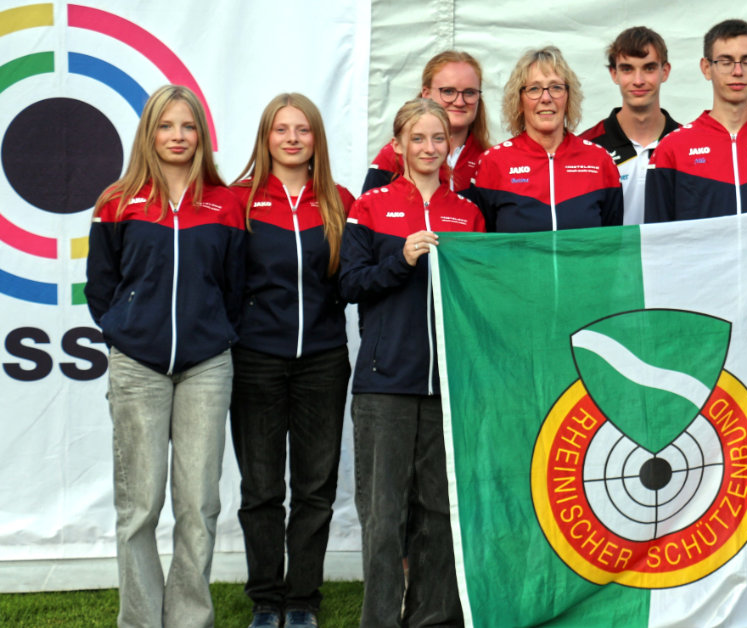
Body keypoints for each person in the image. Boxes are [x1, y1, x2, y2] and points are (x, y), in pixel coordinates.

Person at [84, 84, 245, 628]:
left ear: (201, 135)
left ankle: (189, 620)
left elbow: (235, 286)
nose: (178, 136)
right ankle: (141, 621)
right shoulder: (117, 201)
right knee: (140, 507)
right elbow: (101, 286)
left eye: (188, 126)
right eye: (166, 125)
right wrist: (124, 331)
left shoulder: (226, 205)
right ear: (149, 133)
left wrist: (217, 333)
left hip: (206, 367)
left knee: (199, 505)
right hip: (138, 366)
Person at [341, 98, 485, 628]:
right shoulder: (370, 206)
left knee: (440, 513)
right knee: (383, 516)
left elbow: (482, 294)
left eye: (438, 138)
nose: (429, 148)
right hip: (385, 383)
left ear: (450, 144)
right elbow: (349, 283)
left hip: (449, 385)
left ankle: (433, 619)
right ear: (398, 145)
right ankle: (380, 620)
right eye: (417, 138)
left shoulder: (467, 213)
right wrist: (399, 260)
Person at [229, 93, 356, 628]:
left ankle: (302, 600)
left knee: (314, 487)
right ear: (266, 137)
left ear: (316, 138)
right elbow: (222, 279)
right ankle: (265, 600)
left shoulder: (339, 200)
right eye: (281, 129)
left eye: (302, 129)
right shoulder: (239, 199)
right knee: (261, 488)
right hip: (255, 360)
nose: (292, 139)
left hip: (323, 362)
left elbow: (352, 279)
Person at [645, 19, 747, 222]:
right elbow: (656, 234)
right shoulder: (672, 149)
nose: (737, 72)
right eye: (725, 62)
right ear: (706, 67)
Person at [470, 45, 623, 232]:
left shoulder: (600, 161)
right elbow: (482, 243)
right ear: (519, 101)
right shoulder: (492, 163)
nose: (546, 98)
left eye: (556, 88)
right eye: (534, 89)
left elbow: (611, 241)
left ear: (568, 98)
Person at [579, 26, 680, 225]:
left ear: (665, 71)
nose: (638, 80)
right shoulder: (587, 147)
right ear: (614, 73)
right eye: (627, 69)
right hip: (610, 248)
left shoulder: (688, 146)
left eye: (649, 68)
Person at [362, 50, 491, 194]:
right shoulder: (393, 157)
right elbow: (369, 206)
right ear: (426, 94)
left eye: (469, 92)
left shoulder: (489, 161)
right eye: (448, 91)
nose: (459, 102)